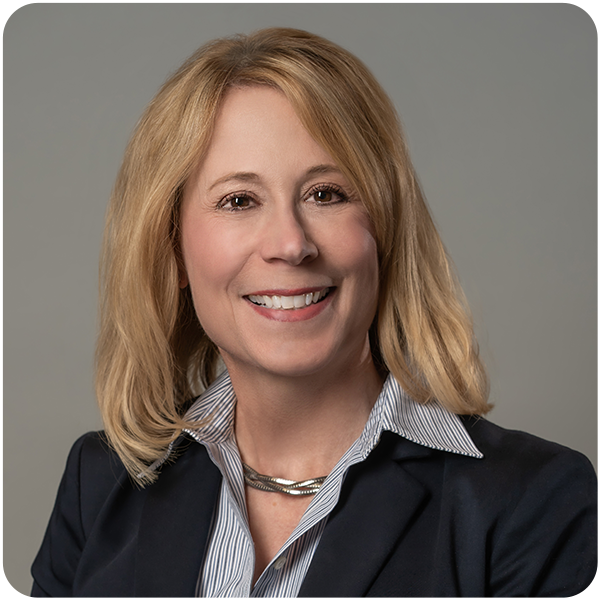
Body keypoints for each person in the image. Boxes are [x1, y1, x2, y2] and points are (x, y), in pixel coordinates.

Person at [31, 27, 597, 598]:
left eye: (326, 194)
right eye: (239, 200)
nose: (290, 243)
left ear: (384, 228)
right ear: (172, 247)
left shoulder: (532, 504)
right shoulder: (100, 485)